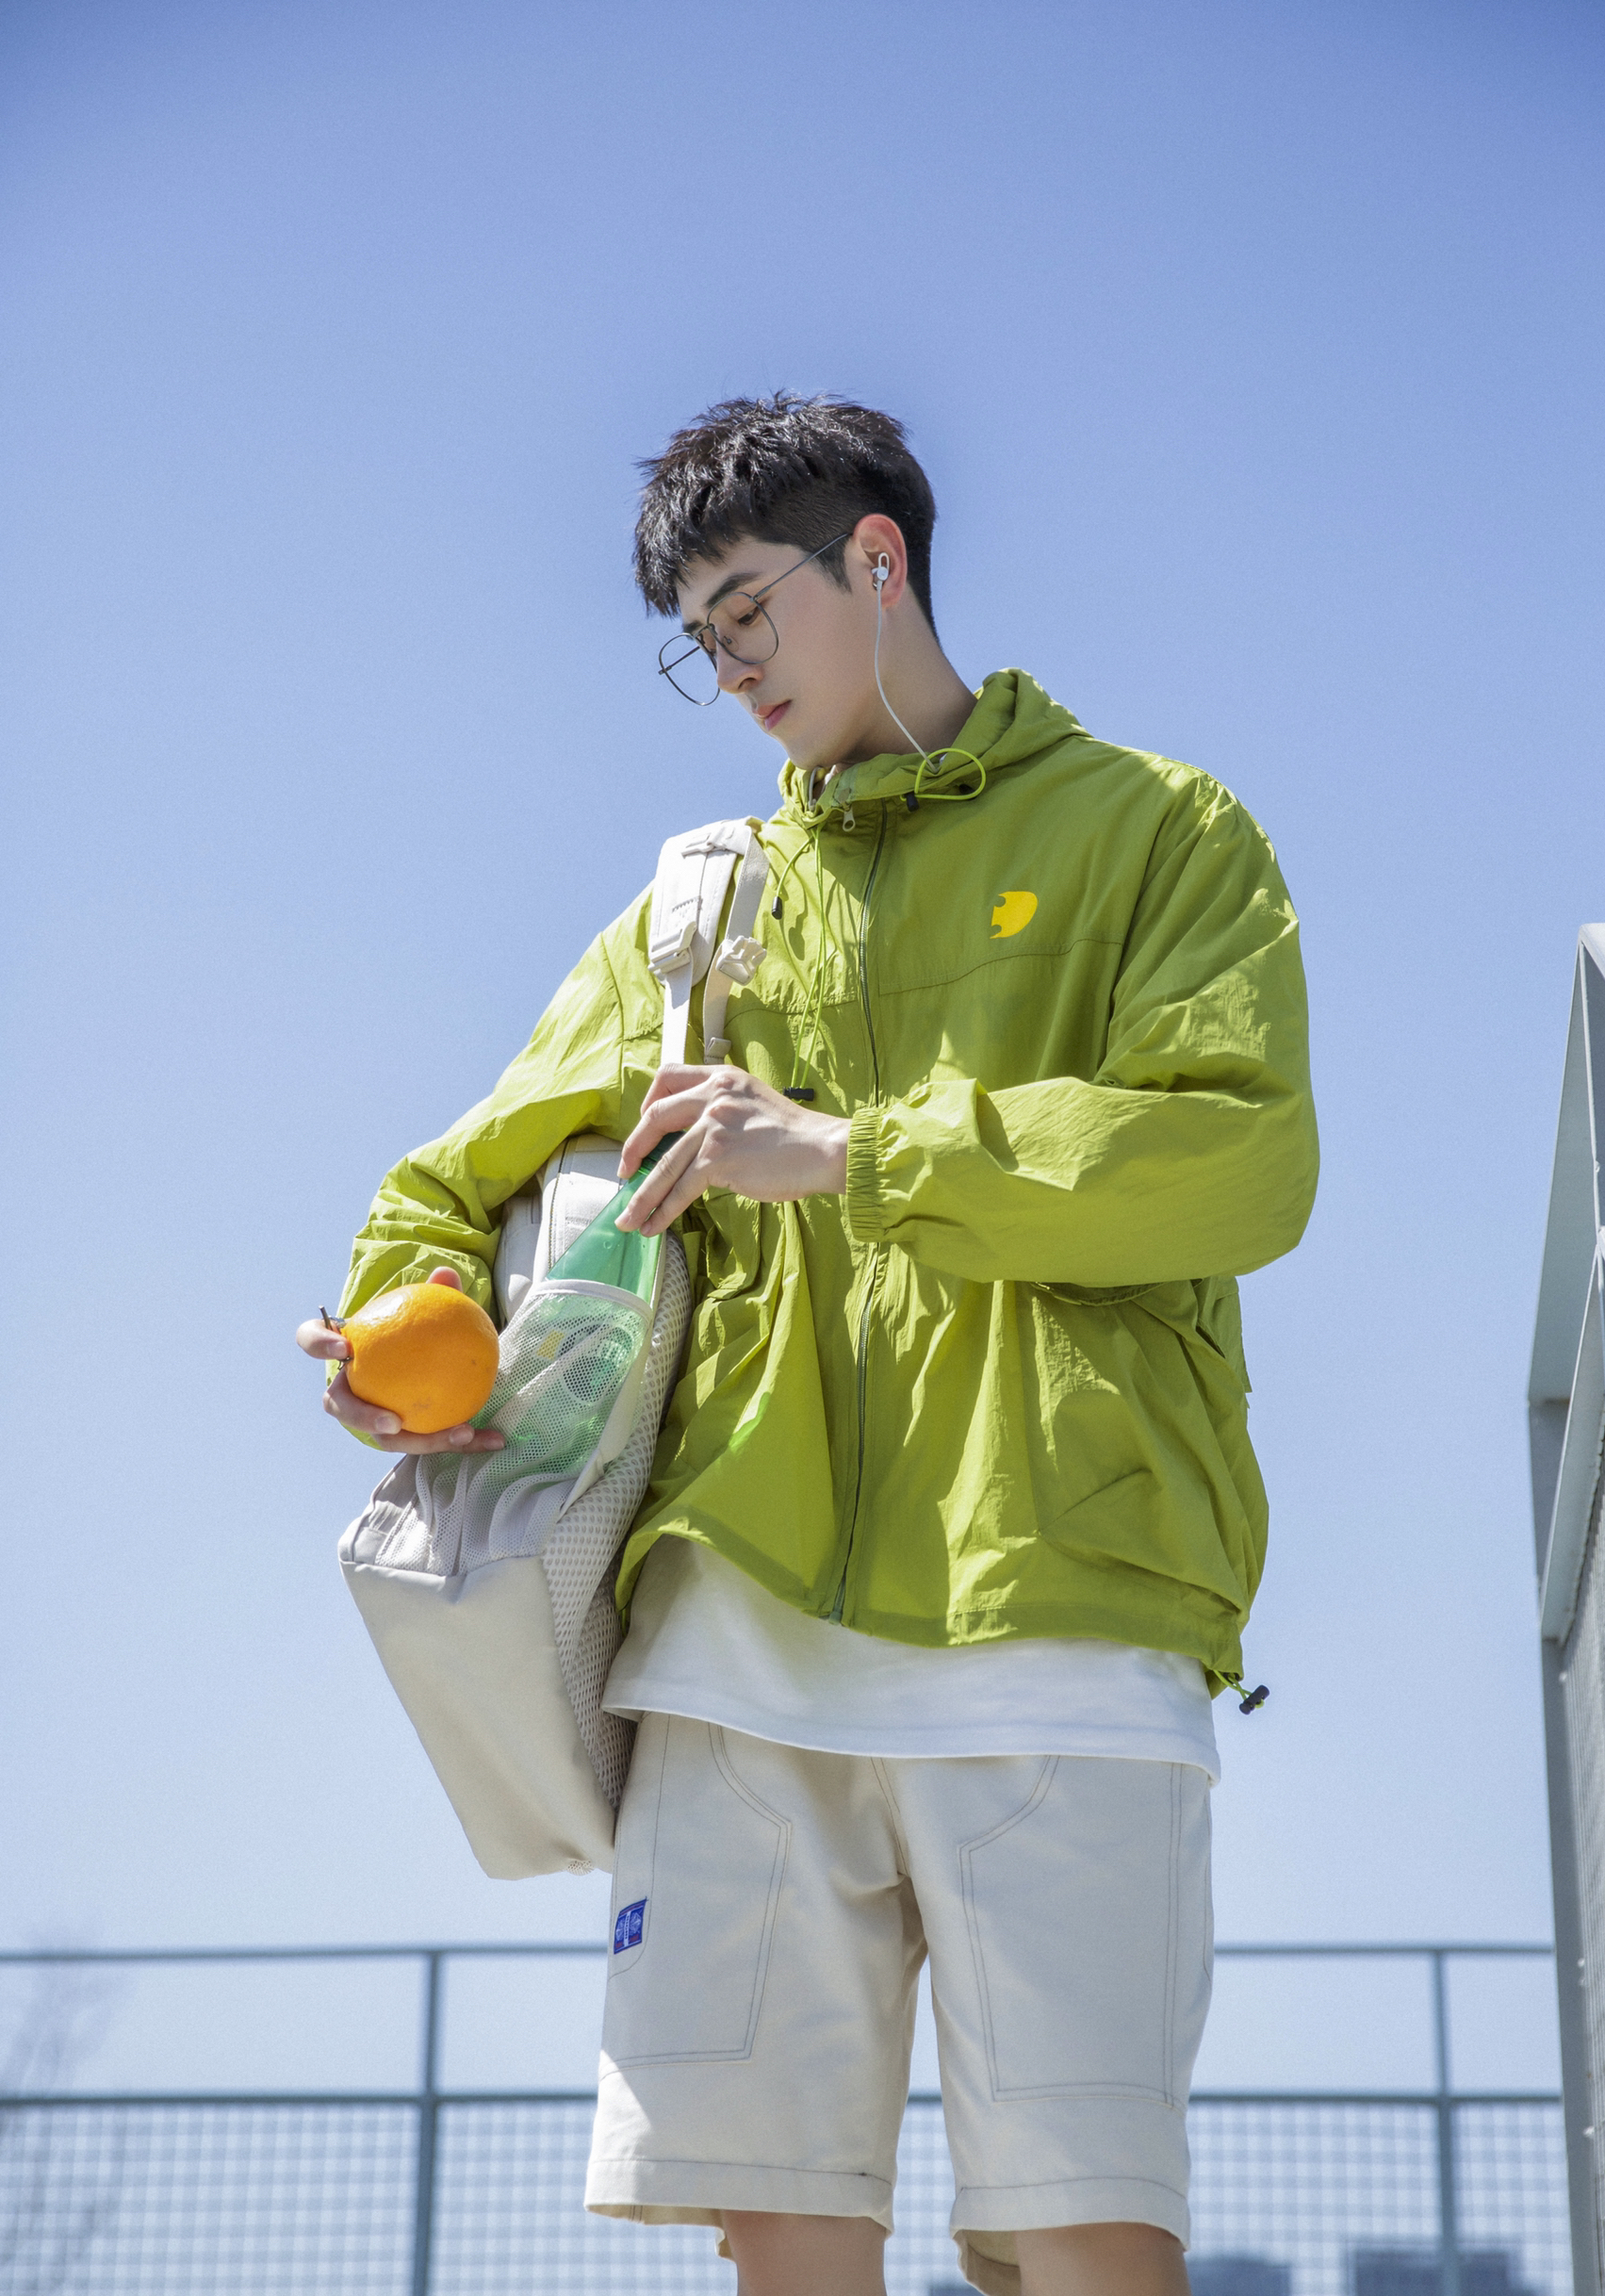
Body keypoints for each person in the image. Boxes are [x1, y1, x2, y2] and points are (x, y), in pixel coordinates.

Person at [298, 392, 1318, 2296]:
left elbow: (1238, 1161)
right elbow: (447, 1185)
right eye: (697, 638)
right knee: (777, 2246)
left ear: (878, 556)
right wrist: (399, 1331)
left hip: (1062, 1610)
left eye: (749, 608)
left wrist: (855, 1154)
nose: (730, 666)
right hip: (732, 1646)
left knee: (1086, 2242)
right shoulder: (695, 911)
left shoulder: (1158, 832)